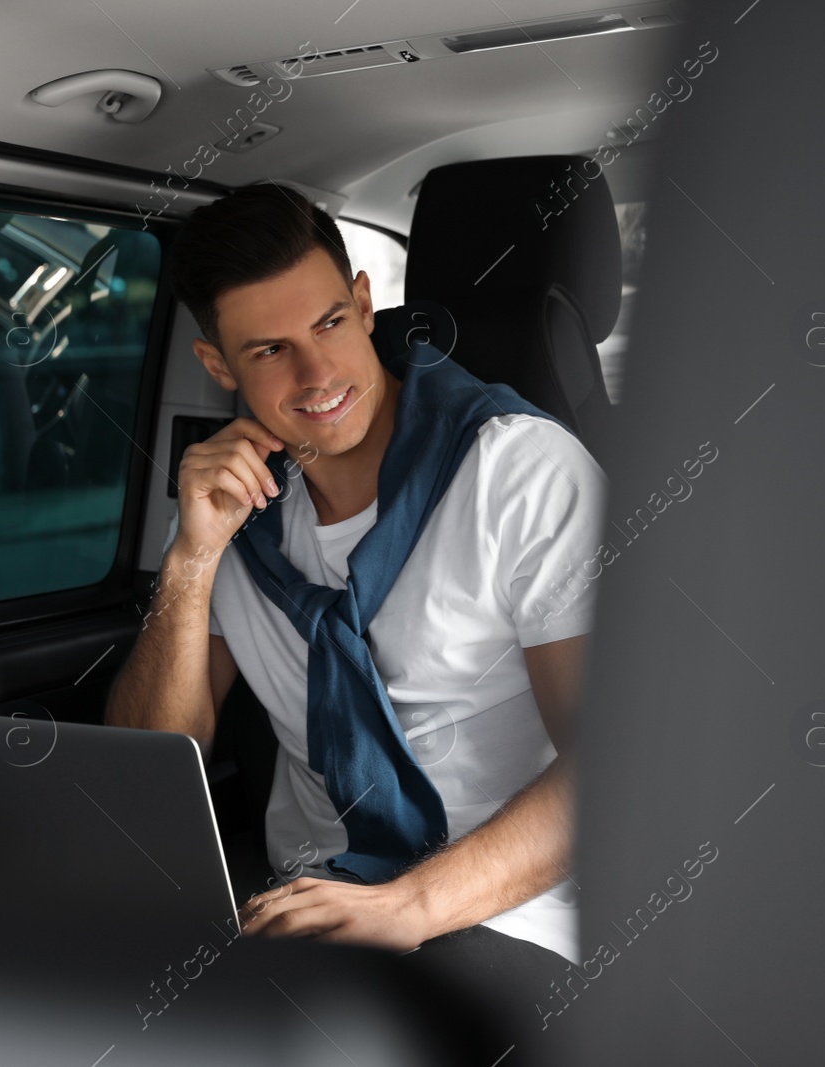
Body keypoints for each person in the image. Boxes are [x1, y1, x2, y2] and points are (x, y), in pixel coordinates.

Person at [104, 182, 607, 1002]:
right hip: (304, 907)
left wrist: (407, 905)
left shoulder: (520, 474)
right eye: (268, 350)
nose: (317, 373)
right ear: (216, 365)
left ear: (367, 305)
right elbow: (149, 771)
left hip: (509, 912)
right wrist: (192, 560)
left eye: (330, 323)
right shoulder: (231, 514)